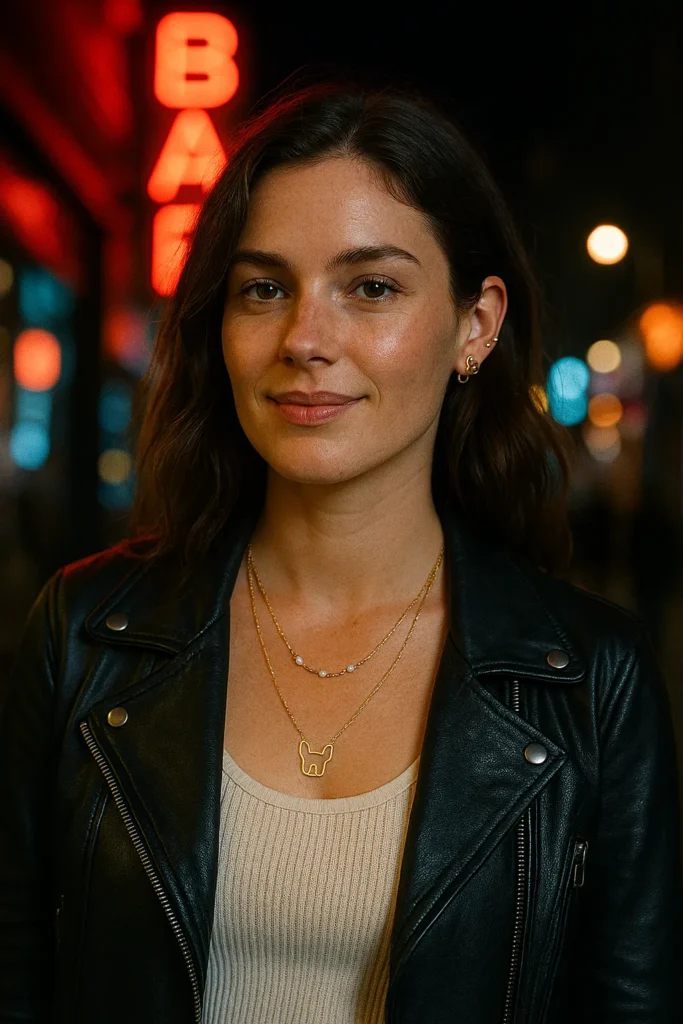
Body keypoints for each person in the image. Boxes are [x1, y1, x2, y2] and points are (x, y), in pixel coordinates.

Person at [1, 81, 682, 1024]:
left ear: (474, 326)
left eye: (371, 287)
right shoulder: (83, 635)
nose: (305, 339)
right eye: (265, 288)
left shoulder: (591, 681)